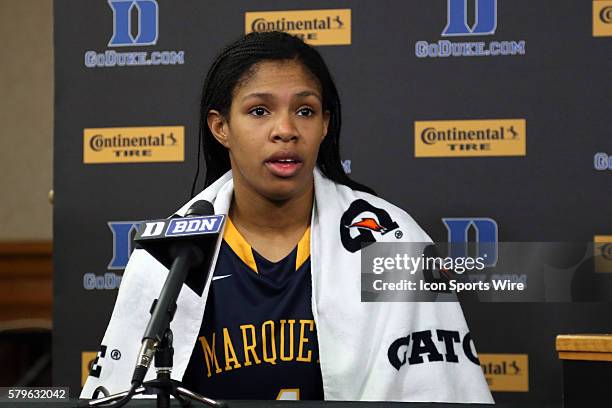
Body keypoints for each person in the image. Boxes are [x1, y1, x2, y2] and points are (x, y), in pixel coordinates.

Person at [81, 31, 493, 403]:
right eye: (259, 111)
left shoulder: (390, 240)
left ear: (325, 125)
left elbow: (438, 389)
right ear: (220, 126)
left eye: (306, 111)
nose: (286, 129)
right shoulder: (171, 253)